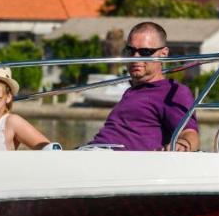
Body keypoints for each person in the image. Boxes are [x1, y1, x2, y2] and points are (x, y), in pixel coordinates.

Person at [86, 20, 201, 152]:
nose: (135, 57)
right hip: (94, 154)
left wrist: (182, 144)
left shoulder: (172, 91)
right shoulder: (132, 91)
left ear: (163, 54)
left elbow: (189, 133)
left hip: (115, 162)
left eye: (145, 52)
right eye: (130, 51)